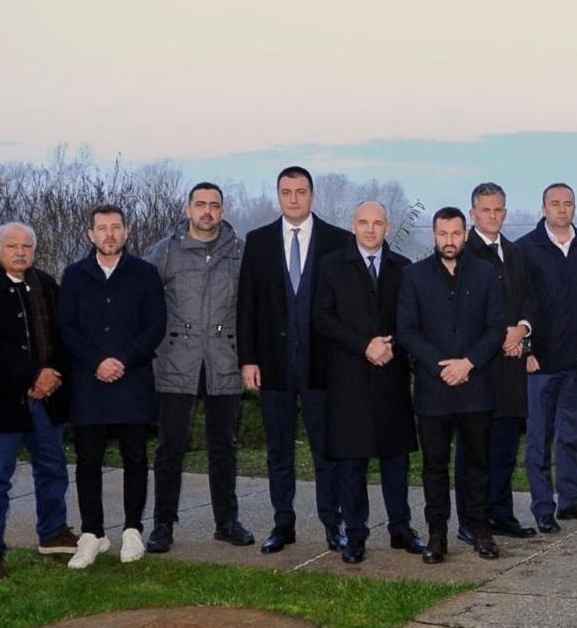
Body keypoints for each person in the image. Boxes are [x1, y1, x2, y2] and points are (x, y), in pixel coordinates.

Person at [238, 166, 355, 554]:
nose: (293, 198)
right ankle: (282, 524)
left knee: (327, 449)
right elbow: (247, 304)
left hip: (323, 364)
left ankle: (332, 523)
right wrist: (248, 359)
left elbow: (346, 308)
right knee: (279, 450)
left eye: (300, 192)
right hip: (274, 364)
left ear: (312, 196)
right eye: (286, 192)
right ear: (278, 196)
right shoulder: (258, 242)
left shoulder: (338, 241)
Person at [0, 222, 78, 582]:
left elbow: (65, 336)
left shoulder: (47, 285)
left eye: (27, 246)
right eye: (12, 246)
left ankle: (53, 533)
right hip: (3, 402)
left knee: (53, 468)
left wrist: (52, 375)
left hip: (48, 398)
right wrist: (31, 376)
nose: (20, 252)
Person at [143, 182, 255, 554]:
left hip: (224, 359)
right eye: (201, 204)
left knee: (224, 446)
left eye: (214, 205)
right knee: (170, 447)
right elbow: (145, 302)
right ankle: (163, 523)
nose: (207, 211)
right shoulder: (164, 252)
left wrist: (249, 357)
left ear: (223, 211)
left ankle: (227, 521)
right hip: (176, 360)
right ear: (188, 209)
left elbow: (251, 307)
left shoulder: (239, 253)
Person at [312, 201, 425, 564]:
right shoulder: (331, 266)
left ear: (387, 227)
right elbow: (322, 318)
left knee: (396, 460)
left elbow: (413, 319)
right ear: (353, 226)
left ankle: (401, 529)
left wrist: (390, 345)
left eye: (377, 223)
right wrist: (365, 346)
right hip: (349, 376)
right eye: (364, 222)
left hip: (391, 375)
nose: (370, 229)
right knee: (352, 462)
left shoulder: (403, 268)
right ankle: (356, 534)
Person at [58, 204, 166, 568]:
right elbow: (67, 326)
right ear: (91, 234)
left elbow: (155, 325)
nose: (109, 234)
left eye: (115, 227)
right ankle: (92, 534)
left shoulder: (145, 274)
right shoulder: (74, 275)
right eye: (102, 228)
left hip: (132, 380)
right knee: (88, 460)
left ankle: (133, 530)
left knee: (135, 457)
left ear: (126, 231)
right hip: (89, 382)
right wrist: (97, 362)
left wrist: (123, 360)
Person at [398, 207, 506, 563]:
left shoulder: (486, 273)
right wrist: (440, 366)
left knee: (478, 465)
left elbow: (496, 327)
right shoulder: (413, 276)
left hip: (476, 386)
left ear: (466, 234)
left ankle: (480, 530)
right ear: (434, 234)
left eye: (456, 233)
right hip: (434, 389)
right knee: (434, 467)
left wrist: (468, 363)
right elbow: (407, 330)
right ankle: (437, 535)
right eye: (443, 233)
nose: (449, 240)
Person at [516, 183, 577, 532]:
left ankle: (572, 501)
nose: (561, 209)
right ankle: (543, 507)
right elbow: (518, 303)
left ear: (575, 207)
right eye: (555, 203)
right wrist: (526, 351)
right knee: (538, 441)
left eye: (567, 203)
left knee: (571, 437)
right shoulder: (525, 248)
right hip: (541, 362)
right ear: (543, 208)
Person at [456, 183, 539, 542]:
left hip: (511, 366)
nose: (493, 216)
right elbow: (458, 308)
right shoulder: (464, 252)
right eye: (486, 210)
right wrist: (497, 335)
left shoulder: (516, 253)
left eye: (498, 209)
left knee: (505, 446)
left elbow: (530, 300)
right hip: (478, 367)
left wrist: (521, 330)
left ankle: (501, 514)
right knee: (474, 449)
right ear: (473, 213)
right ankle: (470, 521)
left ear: (505, 212)